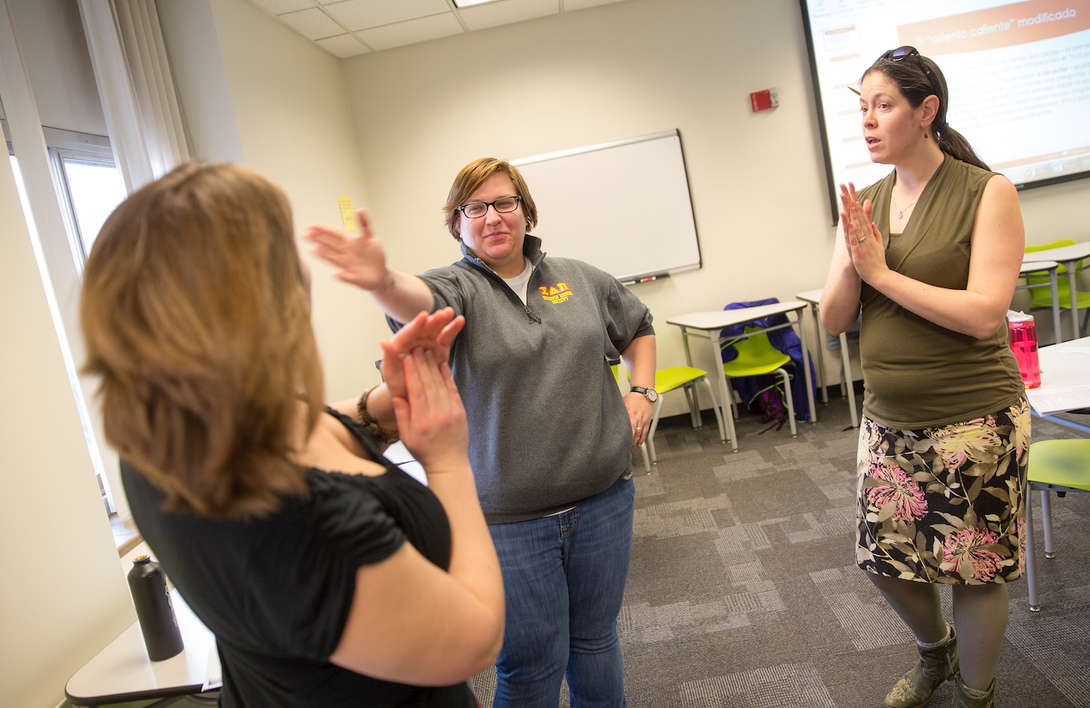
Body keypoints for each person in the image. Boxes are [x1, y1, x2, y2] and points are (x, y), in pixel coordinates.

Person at [79, 162, 505, 708]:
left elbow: (306, 428)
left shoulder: (164, 439)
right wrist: (448, 462)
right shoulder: (302, 520)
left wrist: (383, 405)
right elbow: (474, 641)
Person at [307, 157, 656, 708]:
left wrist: (642, 391)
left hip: (603, 502)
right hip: (508, 524)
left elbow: (638, 327)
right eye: (475, 207)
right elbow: (415, 302)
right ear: (459, 222)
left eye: (504, 202)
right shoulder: (457, 289)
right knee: (529, 666)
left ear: (525, 211)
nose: (492, 217)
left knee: (595, 641)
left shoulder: (580, 278)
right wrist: (380, 282)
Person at [820, 48, 1027, 708]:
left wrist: (881, 272)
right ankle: (936, 652)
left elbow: (983, 313)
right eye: (862, 109)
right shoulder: (865, 204)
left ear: (926, 111)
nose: (868, 122)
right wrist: (855, 263)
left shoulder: (986, 191)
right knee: (882, 560)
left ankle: (978, 691)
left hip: (977, 417)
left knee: (974, 567)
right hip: (888, 420)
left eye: (883, 106)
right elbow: (833, 320)